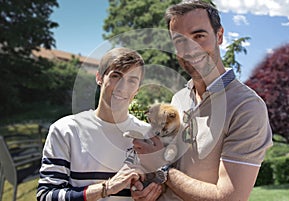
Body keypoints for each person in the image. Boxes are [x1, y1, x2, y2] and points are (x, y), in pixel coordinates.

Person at [132, 1, 273, 200]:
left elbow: (229, 198)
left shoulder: (247, 107)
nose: (190, 49)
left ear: (220, 36)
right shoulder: (179, 99)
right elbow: (170, 166)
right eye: (180, 41)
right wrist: (148, 186)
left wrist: (160, 167)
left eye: (199, 36)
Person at [36, 47, 162, 201]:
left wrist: (153, 191)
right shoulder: (65, 130)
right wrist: (106, 188)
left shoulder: (149, 136)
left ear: (138, 89)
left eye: (132, 80)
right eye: (116, 76)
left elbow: (161, 187)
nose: (122, 87)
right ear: (99, 78)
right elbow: (46, 196)